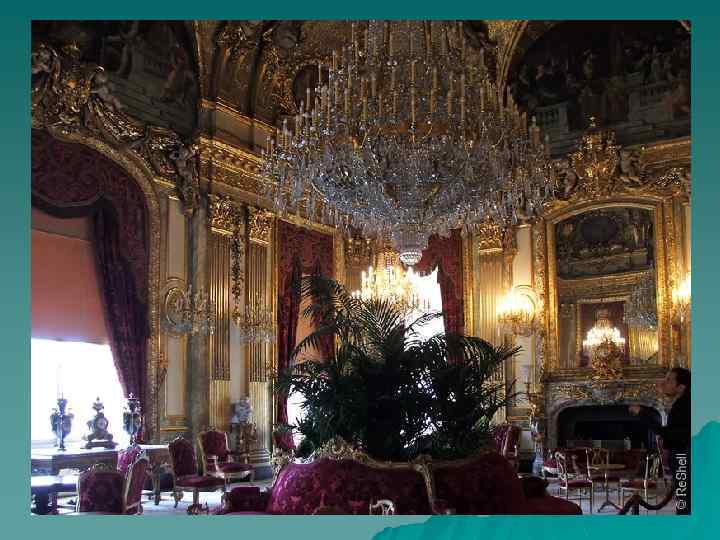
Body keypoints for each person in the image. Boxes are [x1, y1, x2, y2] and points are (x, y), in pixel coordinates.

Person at [629, 367, 690, 514]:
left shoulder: (683, 405)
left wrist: (642, 413)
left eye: (669, 380)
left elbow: (669, 434)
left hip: (684, 459)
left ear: (681, 387)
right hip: (683, 458)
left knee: (685, 503)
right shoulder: (684, 403)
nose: (663, 383)